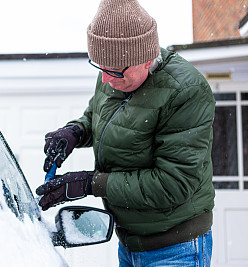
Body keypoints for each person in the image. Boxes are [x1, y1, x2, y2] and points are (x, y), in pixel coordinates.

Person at [35, 0, 215, 266]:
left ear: (144, 58)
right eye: (100, 67)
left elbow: (174, 184)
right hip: (129, 244)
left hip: (176, 247)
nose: (106, 79)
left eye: (113, 70)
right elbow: (98, 116)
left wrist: (91, 183)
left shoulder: (186, 92)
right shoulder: (115, 72)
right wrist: (75, 131)